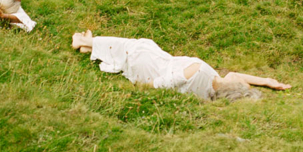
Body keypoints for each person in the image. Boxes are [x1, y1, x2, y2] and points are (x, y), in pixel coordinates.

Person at [71, 31, 290, 101]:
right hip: (157, 64)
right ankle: (92, 48)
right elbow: (235, 75)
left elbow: (167, 81)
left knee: (135, 47)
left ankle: (83, 41)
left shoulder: (198, 71)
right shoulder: (212, 92)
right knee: (135, 50)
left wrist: (144, 86)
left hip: (152, 66)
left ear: (231, 85)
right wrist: (267, 82)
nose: (239, 77)